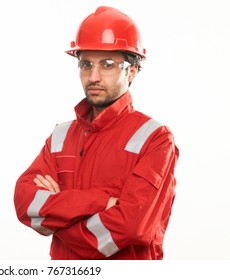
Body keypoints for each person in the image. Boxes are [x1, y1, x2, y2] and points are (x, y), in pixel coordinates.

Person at [13, 6, 179, 260]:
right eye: (86, 64)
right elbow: (26, 205)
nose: (94, 76)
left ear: (132, 71)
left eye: (108, 64)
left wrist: (59, 213)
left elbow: (131, 229)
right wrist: (99, 202)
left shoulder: (154, 138)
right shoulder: (61, 136)